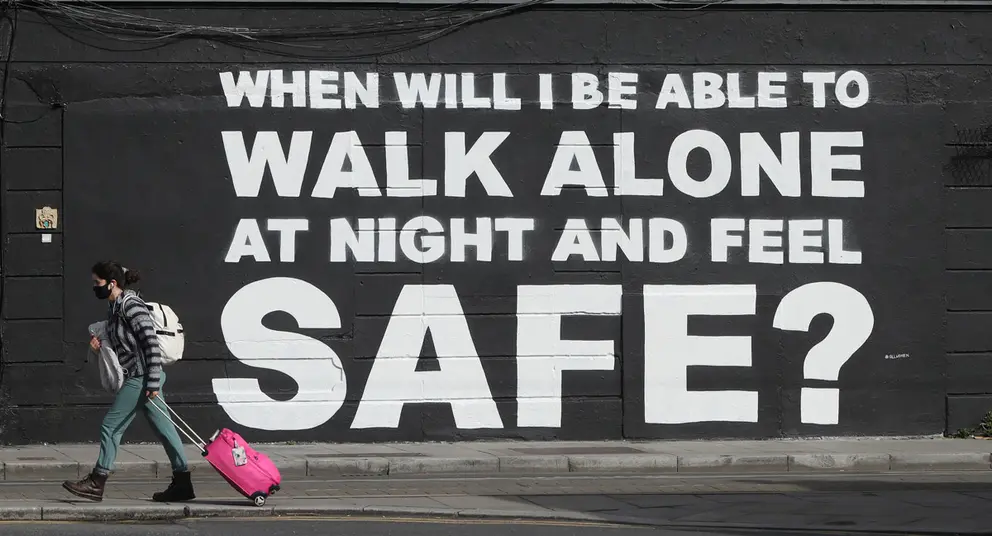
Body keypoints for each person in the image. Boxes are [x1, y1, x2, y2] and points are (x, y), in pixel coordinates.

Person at [62, 261, 195, 503]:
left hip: (141, 377)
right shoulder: (115, 308)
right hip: (142, 376)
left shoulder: (131, 306)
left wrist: (153, 382)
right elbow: (123, 344)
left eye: (97, 283)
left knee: (111, 427)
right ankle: (183, 482)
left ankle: (97, 481)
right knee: (165, 430)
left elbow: (151, 345)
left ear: (112, 283)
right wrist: (98, 347)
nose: (94, 287)